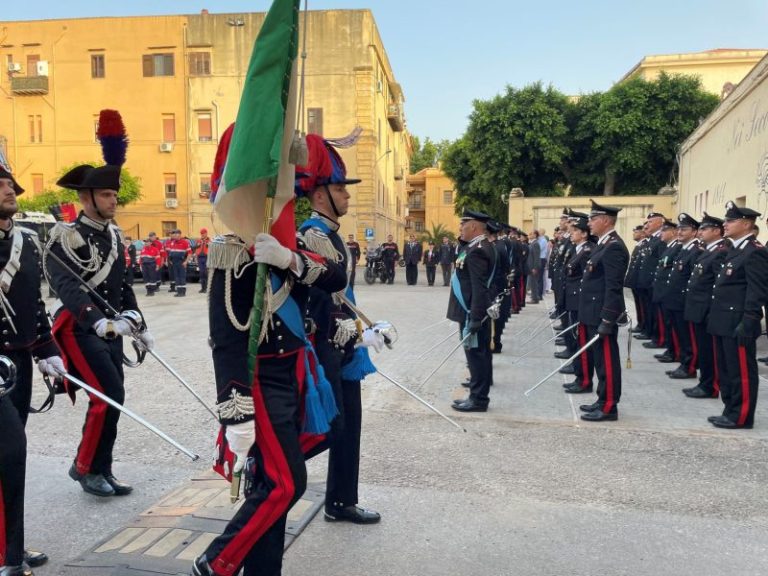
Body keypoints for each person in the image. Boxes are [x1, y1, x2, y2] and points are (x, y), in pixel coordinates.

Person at [194, 136, 349, 576]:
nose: (283, 197)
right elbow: (225, 340)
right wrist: (235, 413)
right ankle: (215, 562)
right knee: (285, 483)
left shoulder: (285, 246)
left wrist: (289, 259)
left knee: (276, 477)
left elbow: (333, 278)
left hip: (294, 376)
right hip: (259, 382)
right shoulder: (230, 251)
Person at [47, 161, 154, 497]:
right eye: (106, 195)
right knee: (107, 396)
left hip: (110, 330)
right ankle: (84, 468)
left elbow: (123, 286)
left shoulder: (113, 236)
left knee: (115, 398)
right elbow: (67, 286)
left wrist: (138, 322)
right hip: (79, 327)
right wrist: (97, 320)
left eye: (114, 195)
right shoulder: (66, 236)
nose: (113, 201)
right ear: (86, 197)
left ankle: (101, 468)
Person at [296, 134, 387, 526]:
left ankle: (341, 502)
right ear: (319, 195)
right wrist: (350, 330)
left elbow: (343, 296)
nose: (346, 196)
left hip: (345, 345)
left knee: (350, 428)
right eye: (338, 189)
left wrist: (364, 328)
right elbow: (315, 302)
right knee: (327, 428)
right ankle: (268, 476)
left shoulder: (333, 236)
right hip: (322, 346)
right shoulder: (312, 236)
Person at [0, 159, 62, 575]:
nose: (11, 191)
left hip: (17, 363)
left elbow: (34, 306)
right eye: (2, 185)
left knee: (8, 458)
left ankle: (11, 546)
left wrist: (47, 349)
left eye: (11, 184)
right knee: (12, 450)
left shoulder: (24, 241)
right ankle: (9, 557)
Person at [706, 201, 768, 429]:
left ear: (746, 224)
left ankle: (741, 416)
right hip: (722, 320)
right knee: (727, 370)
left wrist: (749, 321)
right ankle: (729, 409)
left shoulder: (755, 252)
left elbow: (757, 290)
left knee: (741, 371)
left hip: (738, 321)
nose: (725, 224)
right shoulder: (735, 249)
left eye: (730, 220)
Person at [578, 200, 629, 422]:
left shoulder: (614, 246)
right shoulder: (603, 243)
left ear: (606, 221)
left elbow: (613, 286)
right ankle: (602, 399)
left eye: (593, 218)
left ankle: (609, 406)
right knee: (599, 360)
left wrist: (608, 317)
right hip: (592, 311)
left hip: (602, 314)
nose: (589, 222)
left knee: (607, 360)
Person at [449, 209, 495, 413]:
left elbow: (479, 286)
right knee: (477, 355)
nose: (460, 228)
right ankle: (477, 395)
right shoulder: (478, 246)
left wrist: (476, 317)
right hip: (471, 310)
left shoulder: (478, 250)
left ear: (474, 227)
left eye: (464, 226)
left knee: (477, 356)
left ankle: (478, 399)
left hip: (471, 312)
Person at [682, 213, 728, 399]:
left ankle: (711, 386)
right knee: (704, 350)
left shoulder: (721, 252)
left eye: (704, 229)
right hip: (698, 309)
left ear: (717, 231)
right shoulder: (708, 250)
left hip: (707, 310)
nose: (699, 232)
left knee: (710, 352)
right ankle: (705, 382)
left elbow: (718, 286)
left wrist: (711, 310)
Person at [664, 214, 702, 379]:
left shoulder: (696, 251)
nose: (679, 232)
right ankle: (684, 363)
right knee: (681, 335)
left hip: (684, 302)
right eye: (678, 229)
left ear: (694, 232)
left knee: (689, 338)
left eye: (684, 229)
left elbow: (695, 280)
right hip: (676, 302)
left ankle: (690, 366)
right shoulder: (684, 249)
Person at [562, 217, 596, 394]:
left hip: (579, 303)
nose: (571, 233)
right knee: (576, 339)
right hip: (573, 302)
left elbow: (585, 281)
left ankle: (584, 380)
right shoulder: (579, 249)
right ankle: (579, 375)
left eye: (575, 231)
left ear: (584, 234)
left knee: (581, 341)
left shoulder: (587, 251)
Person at [648, 220, 681, 362]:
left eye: (664, 231)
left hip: (669, 293)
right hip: (662, 291)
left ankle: (675, 352)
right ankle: (671, 349)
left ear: (673, 232)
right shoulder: (669, 247)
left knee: (672, 325)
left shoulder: (678, 248)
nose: (661, 233)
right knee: (668, 323)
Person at [635, 212, 666, 342]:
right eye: (647, 222)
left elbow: (661, 262)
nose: (647, 225)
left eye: (651, 222)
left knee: (656, 312)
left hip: (653, 283)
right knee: (649, 310)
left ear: (660, 223)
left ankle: (658, 337)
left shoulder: (661, 240)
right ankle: (649, 332)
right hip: (646, 283)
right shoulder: (652, 240)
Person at [624, 225, 648, 334]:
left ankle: (643, 325)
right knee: (639, 304)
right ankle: (640, 323)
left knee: (643, 306)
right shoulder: (639, 246)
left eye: (636, 231)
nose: (634, 233)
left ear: (643, 233)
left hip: (641, 281)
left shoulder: (644, 245)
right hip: (635, 281)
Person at [165, 229, 191, 297]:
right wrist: (170, 259)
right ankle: (179, 291)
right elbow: (171, 252)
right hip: (174, 262)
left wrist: (186, 262)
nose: (175, 235)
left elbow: (190, 253)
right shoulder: (173, 242)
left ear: (179, 235)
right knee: (176, 277)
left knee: (181, 277)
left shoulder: (185, 242)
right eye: (174, 234)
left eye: (176, 234)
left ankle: (183, 292)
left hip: (181, 262)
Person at [526, 230, 541, 304]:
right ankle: (534, 297)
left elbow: (536, 257)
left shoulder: (535, 244)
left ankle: (535, 298)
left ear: (535, 235)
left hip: (533, 267)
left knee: (533, 283)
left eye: (531, 233)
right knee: (532, 283)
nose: (529, 235)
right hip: (530, 266)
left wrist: (535, 267)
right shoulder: (532, 243)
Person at [197, 228, 210, 293]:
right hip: (200, 257)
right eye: (201, 233)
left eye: (204, 233)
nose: (203, 234)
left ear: (206, 233)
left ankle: (207, 288)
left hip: (207, 257)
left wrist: (206, 243)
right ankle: (203, 288)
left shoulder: (209, 240)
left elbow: (210, 248)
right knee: (201, 273)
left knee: (206, 273)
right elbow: (196, 248)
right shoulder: (199, 241)